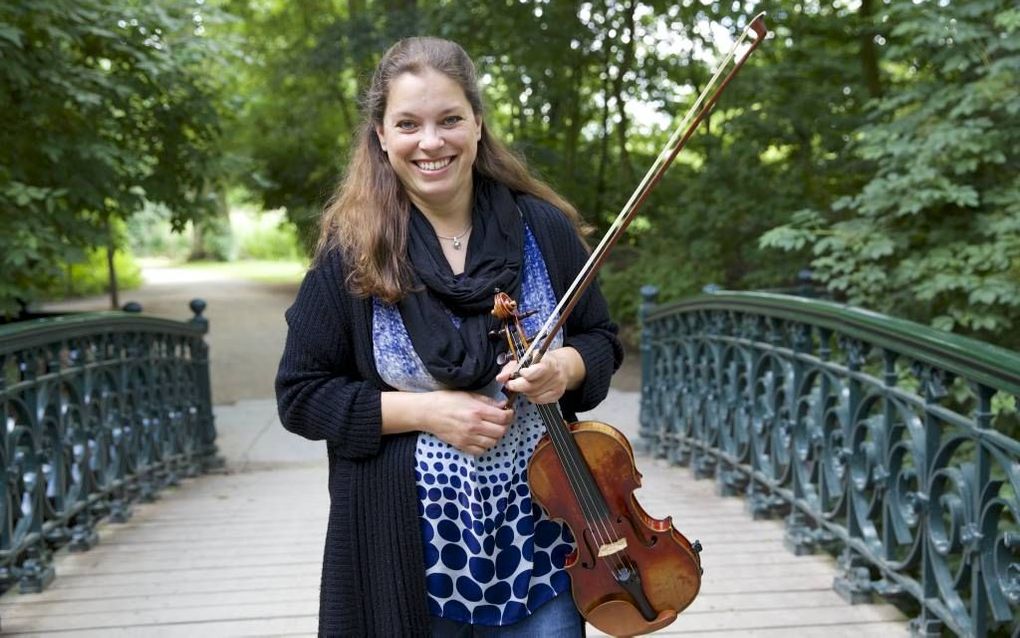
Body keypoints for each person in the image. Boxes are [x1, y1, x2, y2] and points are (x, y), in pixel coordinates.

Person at [276, 36, 622, 637]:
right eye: (408, 123)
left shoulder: (543, 229)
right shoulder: (352, 252)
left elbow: (600, 338)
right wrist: (427, 411)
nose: (431, 142)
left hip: (543, 536)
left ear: (478, 125)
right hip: (409, 548)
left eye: (449, 120)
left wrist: (566, 368)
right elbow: (302, 395)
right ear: (381, 135)